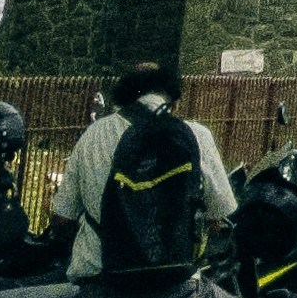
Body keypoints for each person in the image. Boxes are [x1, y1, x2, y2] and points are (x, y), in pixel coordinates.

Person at [53, 62, 237, 291]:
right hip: (176, 285)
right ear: (173, 99)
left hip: (103, 282)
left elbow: (62, 219)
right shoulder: (196, 135)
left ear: (122, 96)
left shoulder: (93, 136)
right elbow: (219, 214)